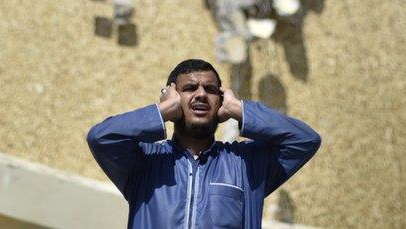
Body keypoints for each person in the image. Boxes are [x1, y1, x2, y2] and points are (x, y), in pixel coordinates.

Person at [86, 59, 321, 229]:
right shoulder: (145, 164)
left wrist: (240, 110)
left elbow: (305, 140)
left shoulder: (247, 164)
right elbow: (101, 138)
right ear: (173, 97)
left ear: (221, 102)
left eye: (210, 90)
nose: (200, 95)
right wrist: (162, 111)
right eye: (189, 88)